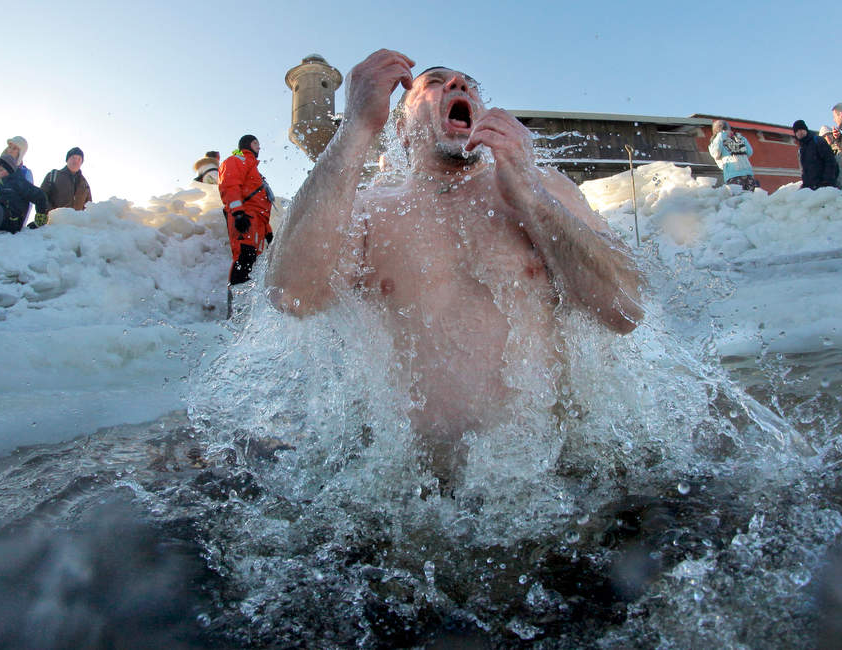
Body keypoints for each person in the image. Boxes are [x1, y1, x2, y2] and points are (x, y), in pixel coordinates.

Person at [265, 49, 643, 480]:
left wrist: (530, 196)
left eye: (469, 84)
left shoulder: (543, 187)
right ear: (402, 129)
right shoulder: (369, 210)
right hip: (416, 492)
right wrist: (355, 127)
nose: (458, 84)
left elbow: (626, 308)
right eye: (433, 82)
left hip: (554, 482)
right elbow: (292, 295)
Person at [218, 136, 274, 285]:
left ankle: (247, 299)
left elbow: (260, 206)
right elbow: (229, 184)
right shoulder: (237, 160)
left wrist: (268, 232)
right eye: (255, 143)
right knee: (244, 258)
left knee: (254, 265)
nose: (259, 147)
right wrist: (238, 213)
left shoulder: (254, 169)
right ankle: (235, 298)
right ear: (246, 144)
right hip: (245, 217)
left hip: (258, 222)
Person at [0, 154, 48, 236]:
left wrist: (39, 220)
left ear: (9, 170)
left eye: (1, 170)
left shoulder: (18, 182)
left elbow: (40, 195)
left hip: (11, 222)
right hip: (0, 219)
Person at [38, 147, 92, 225]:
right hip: (54, 225)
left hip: (76, 227)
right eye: (73, 158)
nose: (76, 161)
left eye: (79, 159)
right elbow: (41, 196)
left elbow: (89, 207)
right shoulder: (54, 175)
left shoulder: (84, 183)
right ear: (67, 160)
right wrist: (50, 215)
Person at [708, 120, 759, 191]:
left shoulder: (717, 140)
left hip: (732, 175)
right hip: (748, 174)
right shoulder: (740, 138)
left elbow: (716, 153)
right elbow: (749, 152)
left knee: (737, 197)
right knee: (750, 196)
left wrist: (720, 135)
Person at [792, 120, 840, 190]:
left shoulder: (817, 141)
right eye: (797, 131)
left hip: (825, 186)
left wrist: (827, 181)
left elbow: (830, 161)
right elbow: (805, 171)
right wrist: (805, 184)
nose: (799, 132)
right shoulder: (802, 150)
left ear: (806, 130)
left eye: (801, 129)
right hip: (812, 188)